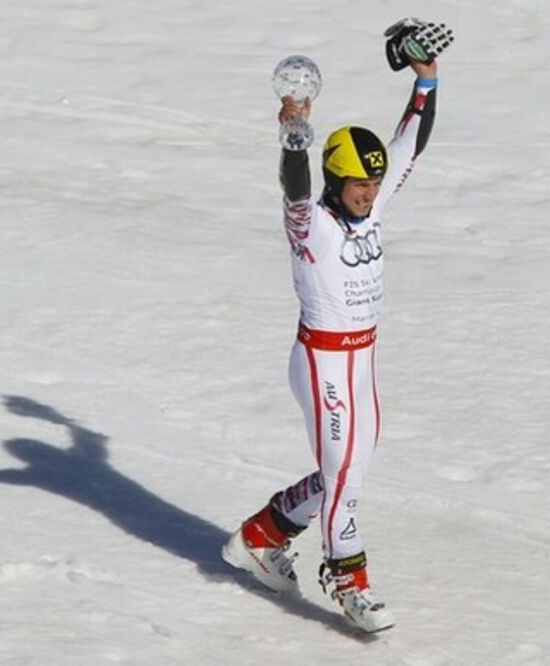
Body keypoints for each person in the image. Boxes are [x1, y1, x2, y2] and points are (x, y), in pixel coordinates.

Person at [222, 21, 449, 634]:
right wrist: (294, 134)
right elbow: (294, 187)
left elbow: (412, 144)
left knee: (347, 471)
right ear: (334, 179)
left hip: (364, 359)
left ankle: (261, 535)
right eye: (358, 184)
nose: (370, 194)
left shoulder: (376, 202)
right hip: (322, 361)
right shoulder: (310, 226)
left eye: (374, 183)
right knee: (346, 479)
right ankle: (350, 581)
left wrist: (426, 78)